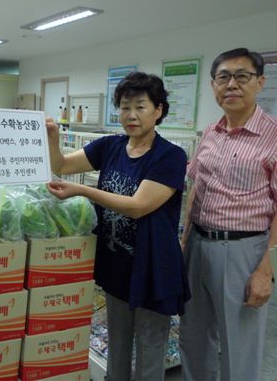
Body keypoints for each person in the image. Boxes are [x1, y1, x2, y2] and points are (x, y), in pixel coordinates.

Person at [45, 71, 190, 381]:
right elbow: (62, 166)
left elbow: (139, 206)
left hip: (151, 268)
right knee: (118, 344)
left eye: (140, 106)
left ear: (158, 110)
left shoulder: (171, 156)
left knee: (150, 349)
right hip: (116, 265)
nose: (131, 115)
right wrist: (53, 138)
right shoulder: (110, 146)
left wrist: (83, 190)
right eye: (125, 107)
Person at [179, 47, 277, 381]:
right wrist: (185, 239)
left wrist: (265, 272)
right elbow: (197, 188)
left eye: (242, 76)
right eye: (223, 77)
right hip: (198, 245)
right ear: (214, 85)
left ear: (259, 82)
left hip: (243, 251)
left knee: (239, 344)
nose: (231, 84)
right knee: (193, 336)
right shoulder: (211, 133)